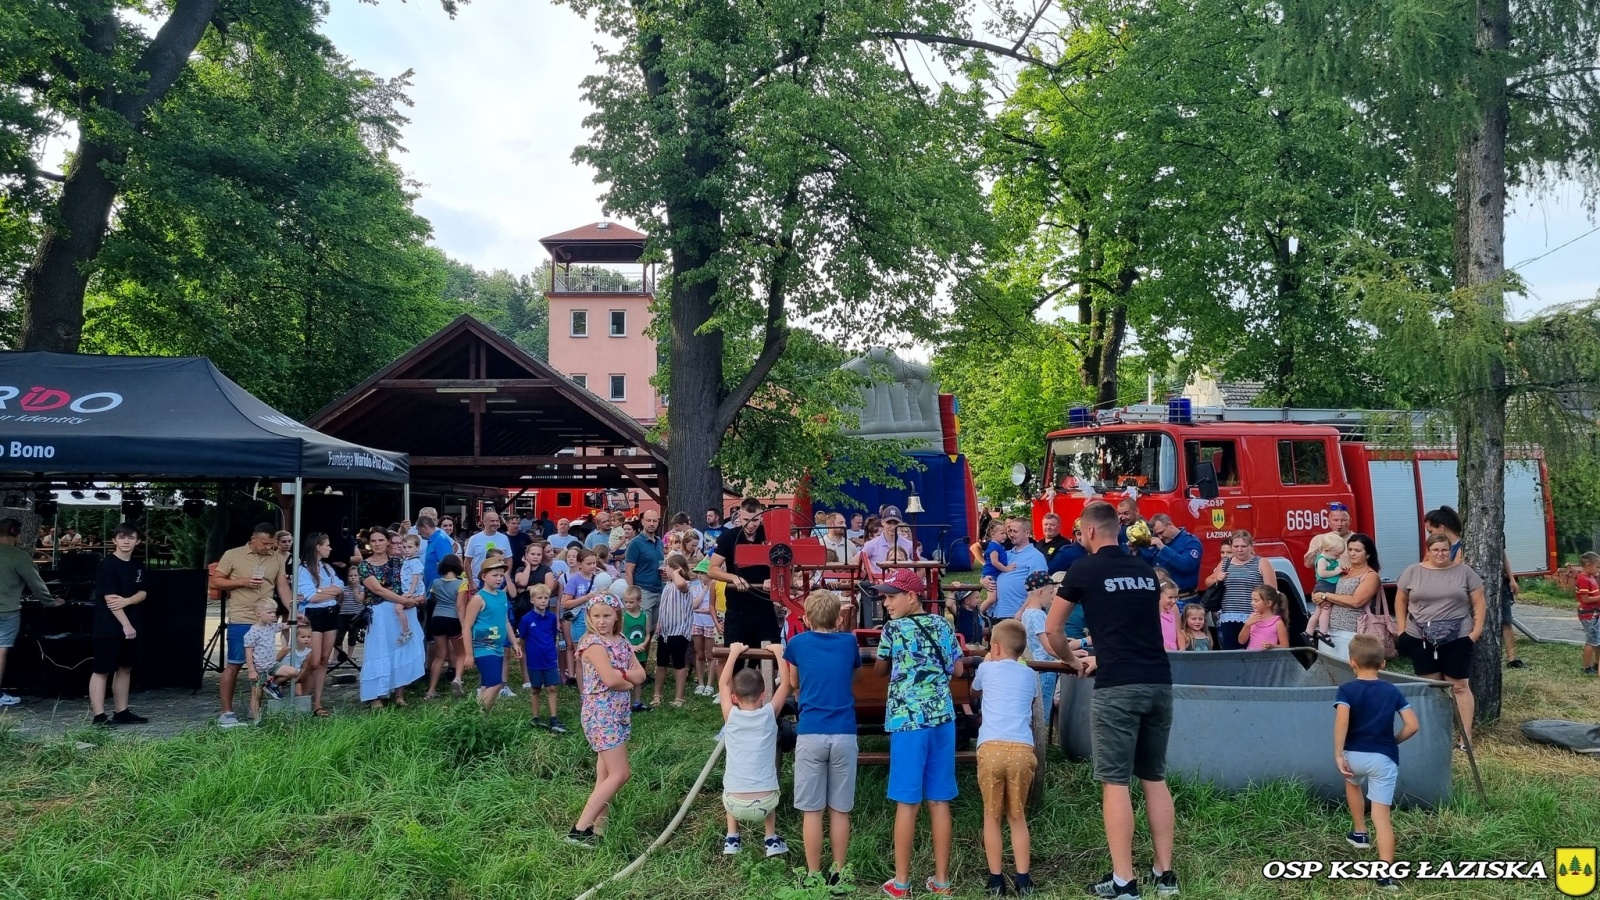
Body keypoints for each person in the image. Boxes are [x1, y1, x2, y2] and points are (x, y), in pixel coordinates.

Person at [1046, 500, 1180, 899]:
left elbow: (1053, 629)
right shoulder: (1143, 570)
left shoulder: (1084, 568)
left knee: (1115, 782)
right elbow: (1133, 629)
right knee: (1154, 777)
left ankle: (1124, 882)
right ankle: (1164, 875)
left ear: (1088, 532)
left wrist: (1074, 660)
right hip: (1158, 681)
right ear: (1116, 530)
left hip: (1117, 687)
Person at [873, 567, 962, 898]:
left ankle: (902, 883)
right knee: (939, 800)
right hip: (942, 719)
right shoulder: (942, 624)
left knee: (907, 802)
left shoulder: (893, 629)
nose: (885, 603)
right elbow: (958, 668)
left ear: (911, 596)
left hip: (907, 721)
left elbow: (880, 669)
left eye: (891, 597)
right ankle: (941, 882)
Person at [782, 589, 860, 883]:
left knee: (812, 811)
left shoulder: (797, 643)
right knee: (840, 809)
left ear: (806, 618)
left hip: (811, 730)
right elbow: (854, 676)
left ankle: (813, 874)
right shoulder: (849, 642)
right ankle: (839, 872)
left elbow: (793, 681)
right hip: (844, 732)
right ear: (840, 618)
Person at [1334, 634, 1420, 892]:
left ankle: (1359, 832)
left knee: (1352, 784)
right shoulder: (1392, 690)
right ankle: (1385, 876)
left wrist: (1339, 754)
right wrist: (1393, 741)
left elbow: (1342, 722)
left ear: (1352, 663)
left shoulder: (1346, 690)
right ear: (1383, 663)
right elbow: (1413, 726)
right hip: (1384, 758)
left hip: (1354, 755)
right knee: (1382, 819)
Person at [1393, 531, 1486, 748]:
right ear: (1428, 551)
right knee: (1432, 686)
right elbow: (1400, 599)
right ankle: (1435, 732)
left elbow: (1479, 601)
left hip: (1458, 635)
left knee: (1460, 686)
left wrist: (1476, 632)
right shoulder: (1412, 572)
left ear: (1450, 550)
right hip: (1420, 636)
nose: (1440, 553)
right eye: (1435, 550)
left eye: (1444, 549)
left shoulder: (1465, 572)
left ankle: (1466, 736)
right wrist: (1400, 629)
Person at [567, 594, 646, 847]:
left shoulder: (621, 640)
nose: (601, 621)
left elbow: (641, 675)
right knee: (621, 773)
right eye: (596, 616)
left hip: (618, 711)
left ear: (617, 616)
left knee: (606, 772)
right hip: (601, 713)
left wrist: (621, 675)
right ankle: (578, 831)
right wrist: (625, 680)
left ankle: (599, 826)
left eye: (607, 615)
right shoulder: (592, 643)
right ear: (589, 618)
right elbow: (611, 681)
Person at [972, 619, 1042, 897]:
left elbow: (975, 690)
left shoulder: (987, 668)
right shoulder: (1030, 675)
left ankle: (995, 880)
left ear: (996, 647)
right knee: (1017, 816)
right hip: (1022, 751)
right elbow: (1032, 698)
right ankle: (1024, 880)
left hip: (990, 749)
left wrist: (988, 658)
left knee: (992, 815)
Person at [210, 523, 294, 728]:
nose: (268, 547)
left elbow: (282, 585)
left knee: (264, 665)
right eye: (264, 543)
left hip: (266, 620)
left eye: (271, 543)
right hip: (242, 618)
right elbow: (216, 582)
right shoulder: (233, 554)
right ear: (253, 538)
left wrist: (292, 608)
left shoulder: (276, 557)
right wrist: (242, 582)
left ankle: (254, 708)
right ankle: (226, 713)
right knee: (235, 664)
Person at [718, 643, 793, 858]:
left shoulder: (730, 715)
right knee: (765, 780)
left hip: (734, 803)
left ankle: (732, 837)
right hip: (767, 803)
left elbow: (724, 683)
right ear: (763, 695)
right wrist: (779, 654)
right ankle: (771, 838)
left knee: (732, 780)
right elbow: (786, 685)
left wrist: (733, 653)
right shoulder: (770, 714)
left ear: (734, 698)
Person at [356, 528, 425, 710]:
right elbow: (378, 589)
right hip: (380, 611)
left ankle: (399, 693)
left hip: (401, 612)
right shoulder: (364, 565)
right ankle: (377, 695)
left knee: (401, 649)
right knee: (378, 651)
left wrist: (417, 597)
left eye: (381, 540)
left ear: (388, 542)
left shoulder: (400, 561)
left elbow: (414, 580)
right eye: (374, 540)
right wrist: (403, 600)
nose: (378, 544)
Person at [88, 524, 148, 726]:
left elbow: (143, 592)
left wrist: (129, 601)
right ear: (114, 540)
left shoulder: (138, 565)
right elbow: (111, 599)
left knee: (125, 667)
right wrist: (126, 624)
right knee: (102, 668)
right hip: (109, 625)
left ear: (137, 541)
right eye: (122, 537)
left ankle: (121, 711)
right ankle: (99, 716)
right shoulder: (107, 564)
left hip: (131, 621)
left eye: (131, 538)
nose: (126, 542)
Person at [711, 498, 782, 664]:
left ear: (761, 517)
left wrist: (773, 578)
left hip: (764, 608)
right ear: (739, 516)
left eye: (755, 520)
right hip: (738, 611)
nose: (751, 525)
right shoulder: (728, 537)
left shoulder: (770, 535)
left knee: (769, 658)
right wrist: (733, 577)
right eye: (746, 520)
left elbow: (787, 564)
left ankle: (766, 689)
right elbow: (712, 569)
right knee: (734, 660)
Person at [461, 558, 520, 710]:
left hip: (498, 647)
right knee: (495, 684)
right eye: (495, 575)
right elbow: (466, 627)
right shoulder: (478, 598)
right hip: (483, 648)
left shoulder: (501, 595)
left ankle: (478, 719)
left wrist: (514, 643)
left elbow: (505, 622)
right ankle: (477, 717)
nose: (499, 578)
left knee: (486, 685)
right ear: (484, 576)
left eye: (501, 575)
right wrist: (468, 654)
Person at [295, 533, 343, 717]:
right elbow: (311, 597)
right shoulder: (303, 570)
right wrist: (327, 592)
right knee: (313, 661)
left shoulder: (328, 568)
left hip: (330, 613)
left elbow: (340, 587)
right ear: (318, 547)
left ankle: (317, 701)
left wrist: (322, 590)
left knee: (324, 659)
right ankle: (301, 693)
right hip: (313, 614)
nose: (330, 548)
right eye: (327, 545)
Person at [1203, 530, 1276, 650]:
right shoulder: (1226, 562)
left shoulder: (1262, 563)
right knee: (1231, 654)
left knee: (1253, 652)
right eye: (1236, 546)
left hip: (1254, 617)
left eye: (1244, 546)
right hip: (1229, 616)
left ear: (1251, 546)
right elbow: (1207, 582)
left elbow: (1272, 592)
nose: (1239, 550)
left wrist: (1268, 617)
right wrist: (1217, 578)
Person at [519, 583, 567, 732]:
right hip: (534, 659)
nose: (543, 601)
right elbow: (523, 638)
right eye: (539, 598)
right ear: (532, 600)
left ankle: (554, 718)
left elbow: (552, 635)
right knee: (535, 689)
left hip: (549, 658)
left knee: (552, 687)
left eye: (546, 598)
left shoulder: (552, 618)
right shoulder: (526, 619)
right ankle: (535, 717)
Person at [652, 554, 696, 709]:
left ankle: (679, 697)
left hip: (679, 631)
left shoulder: (686, 585)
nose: (665, 569)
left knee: (679, 663)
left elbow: (681, 585)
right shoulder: (668, 586)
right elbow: (664, 607)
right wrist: (658, 623)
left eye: (668, 567)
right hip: (665, 631)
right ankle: (657, 694)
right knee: (661, 663)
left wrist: (676, 571)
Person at [242, 598, 295, 723]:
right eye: (270, 613)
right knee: (256, 694)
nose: (273, 615)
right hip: (259, 668)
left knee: (292, 672)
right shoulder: (252, 632)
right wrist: (251, 670)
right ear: (258, 614)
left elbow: (288, 624)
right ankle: (257, 720)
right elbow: (248, 653)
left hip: (272, 664)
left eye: (274, 612)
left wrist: (292, 609)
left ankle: (272, 685)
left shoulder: (271, 627)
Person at [422, 554, 466, 699]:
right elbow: (459, 606)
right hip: (453, 619)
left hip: (437, 618)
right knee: (461, 653)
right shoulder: (461, 584)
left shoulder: (435, 582)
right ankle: (457, 679)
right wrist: (464, 626)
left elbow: (432, 599)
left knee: (440, 655)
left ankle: (431, 690)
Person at [986, 518, 1047, 619]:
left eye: (1015, 531)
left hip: (1015, 614)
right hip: (995, 613)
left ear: (1027, 533)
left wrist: (1021, 611)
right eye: (1009, 531)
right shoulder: (1005, 554)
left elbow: (1038, 589)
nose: (1011, 534)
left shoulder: (1036, 557)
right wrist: (983, 581)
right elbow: (989, 571)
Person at [1018, 571, 1059, 710]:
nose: (1052, 598)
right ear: (1041, 592)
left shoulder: (1026, 613)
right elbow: (1049, 648)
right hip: (1045, 667)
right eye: (1050, 593)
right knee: (1044, 710)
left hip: (1035, 666)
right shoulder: (1038, 615)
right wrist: (1069, 658)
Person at [1141, 515, 1202, 596]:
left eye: (1161, 533)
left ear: (1170, 524)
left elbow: (1186, 566)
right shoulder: (1160, 542)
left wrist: (1162, 547)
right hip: (1160, 596)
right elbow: (1147, 566)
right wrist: (1135, 550)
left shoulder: (1190, 542)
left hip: (1183, 597)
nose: (1160, 537)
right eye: (1156, 535)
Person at [624, 509, 665, 630]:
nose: (651, 524)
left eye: (654, 521)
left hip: (659, 590)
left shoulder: (660, 542)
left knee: (655, 632)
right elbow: (628, 571)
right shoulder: (635, 543)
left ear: (658, 523)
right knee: (643, 630)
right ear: (642, 522)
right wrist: (632, 595)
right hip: (644, 592)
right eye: (648, 520)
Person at [1305, 532, 1348, 644]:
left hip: (1328, 586)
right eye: (1336, 555)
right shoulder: (1322, 559)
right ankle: (1323, 632)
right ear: (1327, 550)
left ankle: (1308, 632)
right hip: (1324, 586)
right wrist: (1337, 571)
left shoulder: (1331, 559)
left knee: (1318, 612)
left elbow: (1335, 568)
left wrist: (1341, 568)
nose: (1338, 557)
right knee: (1326, 609)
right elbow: (1322, 573)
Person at [690, 558, 720, 695]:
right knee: (699, 654)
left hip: (709, 624)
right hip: (697, 623)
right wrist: (703, 592)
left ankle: (710, 684)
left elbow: (713, 607)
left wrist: (704, 610)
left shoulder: (716, 587)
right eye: (698, 573)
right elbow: (694, 605)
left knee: (711, 654)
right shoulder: (696, 588)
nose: (700, 575)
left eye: (702, 573)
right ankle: (701, 683)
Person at [620, 584, 652, 711]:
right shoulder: (623, 617)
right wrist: (631, 647)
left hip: (640, 652)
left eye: (631, 602)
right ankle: (624, 703)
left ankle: (637, 702)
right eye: (626, 602)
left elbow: (648, 634)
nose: (628, 605)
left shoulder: (645, 616)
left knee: (638, 677)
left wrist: (643, 645)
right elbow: (620, 635)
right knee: (627, 677)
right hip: (627, 653)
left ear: (639, 601)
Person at [464, 510, 510, 590]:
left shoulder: (504, 538)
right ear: (484, 522)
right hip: (478, 583)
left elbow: (509, 560)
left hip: (498, 584)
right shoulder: (474, 539)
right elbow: (467, 562)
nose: (495, 523)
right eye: (492, 521)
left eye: (497, 521)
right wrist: (471, 583)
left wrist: (505, 578)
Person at [335, 561, 365, 666]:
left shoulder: (362, 588)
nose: (353, 578)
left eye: (355, 575)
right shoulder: (344, 588)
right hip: (343, 614)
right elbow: (339, 602)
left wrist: (356, 588)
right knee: (339, 636)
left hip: (355, 615)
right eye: (350, 575)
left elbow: (359, 600)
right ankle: (338, 656)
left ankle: (350, 656)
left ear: (359, 577)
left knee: (352, 637)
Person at [981, 521, 1015, 615]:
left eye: (1005, 533)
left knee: (995, 599)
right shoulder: (994, 547)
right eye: (1002, 533)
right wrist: (1006, 569)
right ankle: (978, 614)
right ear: (993, 534)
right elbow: (995, 562)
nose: (1005, 535)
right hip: (991, 576)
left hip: (995, 576)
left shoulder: (999, 546)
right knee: (992, 599)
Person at [1242, 585, 1290, 650]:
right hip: (1251, 657)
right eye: (1252, 600)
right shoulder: (1252, 618)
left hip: (1268, 658)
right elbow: (1241, 641)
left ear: (1268, 603)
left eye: (1256, 601)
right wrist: (1247, 625)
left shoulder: (1277, 623)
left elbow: (1285, 646)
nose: (1252, 603)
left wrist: (1272, 646)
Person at [1578, 552, 1600, 675]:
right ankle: (1586, 668)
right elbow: (1585, 599)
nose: (1598, 570)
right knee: (1591, 641)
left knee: (1598, 640)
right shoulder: (1583, 579)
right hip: (1588, 615)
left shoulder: (1592, 577)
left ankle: (1597, 663)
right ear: (1588, 565)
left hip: (1595, 613)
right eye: (1597, 567)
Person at [1158, 580, 1181, 652]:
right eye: (1170, 597)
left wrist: (1182, 650)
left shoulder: (1172, 613)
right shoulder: (1154, 615)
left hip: (1173, 652)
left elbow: (1179, 632)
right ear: (1159, 596)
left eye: (1176, 597)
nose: (1174, 601)